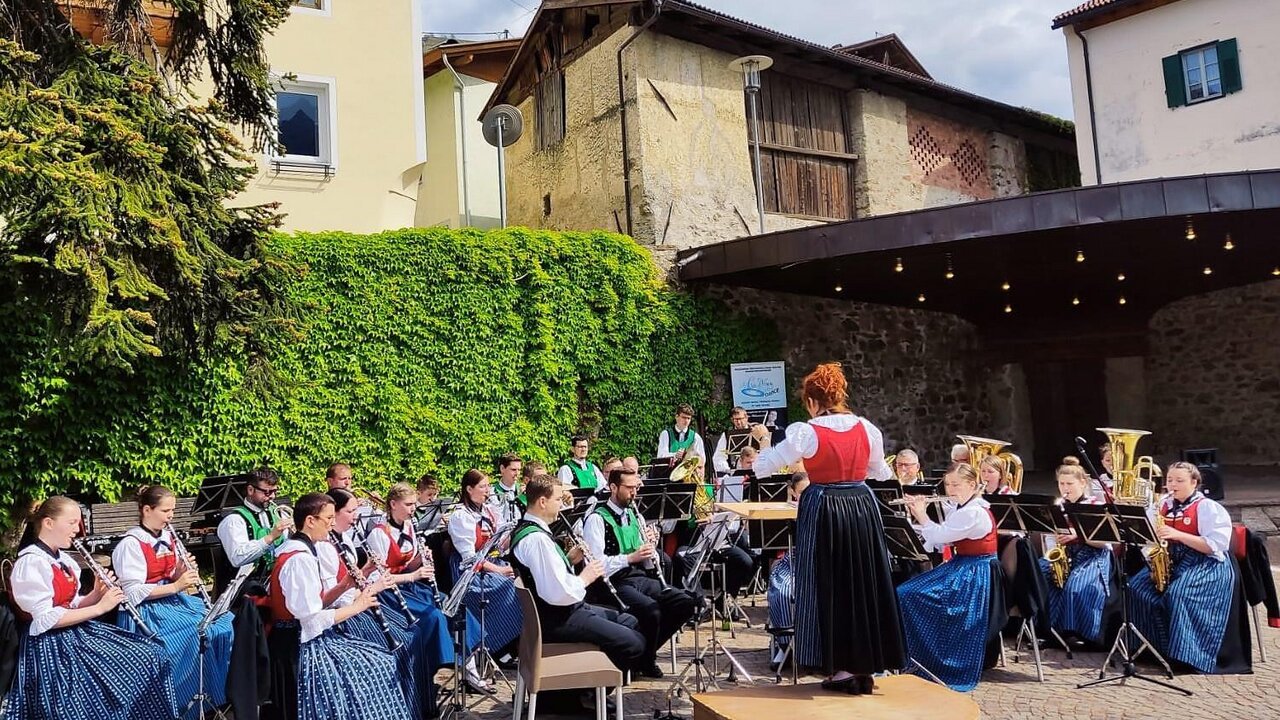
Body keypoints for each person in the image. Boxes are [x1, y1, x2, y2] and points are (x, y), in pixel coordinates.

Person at [752, 362, 904, 694]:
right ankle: (864, 665)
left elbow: (763, 467)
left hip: (824, 507)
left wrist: (764, 441)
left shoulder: (806, 432)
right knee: (863, 581)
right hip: (861, 505)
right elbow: (880, 473)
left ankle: (839, 667)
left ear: (811, 401)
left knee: (828, 584)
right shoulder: (867, 428)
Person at [6, 496, 179, 720]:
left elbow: (71, 604)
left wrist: (96, 594)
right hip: (50, 646)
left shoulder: (62, 559)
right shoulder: (31, 562)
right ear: (48, 523)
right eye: (71, 523)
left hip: (74, 634)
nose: (77, 530)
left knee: (151, 653)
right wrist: (100, 608)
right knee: (138, 662)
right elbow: (45, 619)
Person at [268, 492, 412, 720]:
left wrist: (345, 585)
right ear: (310, 521)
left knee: (380, 661)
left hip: (304, 637)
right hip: (299, 646)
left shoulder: (304, 551)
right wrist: (358, 606)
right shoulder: (299, 559)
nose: (332, 523)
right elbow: (310, 620)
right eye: (328, 518)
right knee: (379, 666)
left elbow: (316, 604)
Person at [112, 486, 235, 719]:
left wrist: (180, 571)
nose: (170, 516)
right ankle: (177, 704)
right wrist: (177, 585)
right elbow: (133, 593)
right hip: (146, 612)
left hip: (171, 603)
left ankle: (211, 695)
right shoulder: (131, 544)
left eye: (173, 511)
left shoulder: (167, 537)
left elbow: (171, 575)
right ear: (147, 510)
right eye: (165, 511)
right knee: (194, 634)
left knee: (223, 622)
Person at [508, 474, 646, 674]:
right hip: (559, 618)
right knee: (634, 644)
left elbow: (547, 574)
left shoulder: (530, 531)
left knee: (630, 621)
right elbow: (557, 593)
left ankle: (599, 684)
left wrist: (569, 560)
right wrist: (585, 577)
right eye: (558, 499)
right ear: (542, 502)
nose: (561, 505)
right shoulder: (537, 540)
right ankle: (586, 689)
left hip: (561, 611)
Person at [1128, 462, 1250, 674]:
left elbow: (1215, 545)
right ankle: (1154, 650)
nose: (1172, 485)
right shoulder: (1161, 505)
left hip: (1205, 562)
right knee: (1136, 587)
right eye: (1169, 480)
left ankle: (1187, 656)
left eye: (1179, 481)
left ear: (1194, 483)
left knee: (1178, 595)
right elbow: (1146, 538)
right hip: (1170, 560)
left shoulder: (1208, 508)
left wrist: (1178, 535)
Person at [365, 484, 482, 694]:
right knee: (433, 616)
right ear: (393, 504)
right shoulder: (379, 534)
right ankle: (431, 671)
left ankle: (469, 667)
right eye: (408, 504)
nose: (413, 509)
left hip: (411, 587)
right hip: (389, 594)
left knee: (453, 605)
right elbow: (377, 578)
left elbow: (409, 565)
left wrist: (421, 559)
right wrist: (413, 575)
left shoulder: (409, 526)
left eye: (413, 504)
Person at [897, 462, 1005, 691]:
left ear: (972, 485)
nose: (951, 489)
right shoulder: (962, 508)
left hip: (974, 573)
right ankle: (919, 654)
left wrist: (921, 515)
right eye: (947, 484)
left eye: (956, 484)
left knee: (909, 594)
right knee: (907, 591)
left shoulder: (973, 512)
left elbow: (941, 536)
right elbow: (942, 538)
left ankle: (929, 658)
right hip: (963, 566)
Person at [582, 467, 698, 678]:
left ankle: (644, 655)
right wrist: (630, 557)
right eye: (629, 488)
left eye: (636, 488)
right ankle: (644, 660)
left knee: (685, 602)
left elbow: (647, 565)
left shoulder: (636, 516)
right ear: (613, 487)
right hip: (612, 582)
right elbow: (595, 564)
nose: (634, 493)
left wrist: (650, 549)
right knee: (651, 611)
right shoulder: (596, 519)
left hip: (638, 576)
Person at [319, 489, 422, 719]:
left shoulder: (344, 538)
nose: (356, 516)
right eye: (350, 511)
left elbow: (354, 581)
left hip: (360, 601)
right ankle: (398, 708)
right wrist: (372, 586)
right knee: (403, 643)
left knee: (413, 634)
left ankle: (416, 703)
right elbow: (339, 597)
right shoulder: (325, 547)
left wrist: (366, 571)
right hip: (346, 614)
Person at [215, 465, 290, 719]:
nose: (271, 497)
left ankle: (281, 686)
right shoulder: (233, 521)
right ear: (250, 490)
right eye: (266, 492)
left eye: (274, 492)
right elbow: (237, 557)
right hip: (244, 592)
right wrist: (270, 537)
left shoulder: (274, 515)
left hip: (271, 583)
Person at [447, 469, 524, 669]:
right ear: (469, 489)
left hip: (490, 562)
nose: (488, 490)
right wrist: (498, 570)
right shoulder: (461, 516)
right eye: (482, 487)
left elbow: (499, 546)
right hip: (470, 573)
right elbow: (469, 558)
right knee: (509, 587)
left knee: (524, 581)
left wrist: (513, 533)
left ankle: (511, 645)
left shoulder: (489, 510)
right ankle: (497, 647)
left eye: (488, 486)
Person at [1039, 458, 1115, 647]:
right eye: (1061, 484)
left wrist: (1078, 534)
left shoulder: (1095, 506)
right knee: (1040, 574)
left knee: (1075, 585)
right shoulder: (1058, 506)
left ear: (1082, 483)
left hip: (1093, 555)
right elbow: (1050, 539)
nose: (1065, 488)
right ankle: (1051, 632)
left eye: (1069, 484)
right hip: (1066, 554)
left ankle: (1082, 634)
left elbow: (1105, 543)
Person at [766, 471, 810, 668]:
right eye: (802, 492)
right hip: (793, 559)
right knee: (783, 592)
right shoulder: (785, 509)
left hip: (817, 561)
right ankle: (785, 646)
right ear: (793, 492)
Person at [657, 403, 707, 467]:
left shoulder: (696, 437)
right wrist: (675, 455)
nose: (686, 421)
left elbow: (702, 460)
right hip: (669, 471)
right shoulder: (666, 434)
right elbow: (660, 456)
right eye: (683, 417)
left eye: (688, 418)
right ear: (676, 417)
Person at [490, 453, 525, 524]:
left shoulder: (524, 491)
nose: (517, 474)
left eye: (519, 470)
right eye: (513, 470)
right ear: (502, 468)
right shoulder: (492, 492)